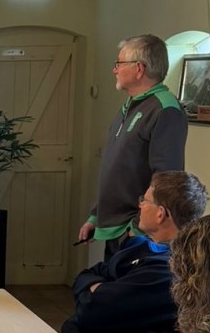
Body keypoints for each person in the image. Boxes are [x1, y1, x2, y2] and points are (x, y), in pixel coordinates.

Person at [63, 170, 209, 333]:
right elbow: (89, 274)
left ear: (160, 214)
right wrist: (98, 289)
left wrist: (100, 289)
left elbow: (92, 312)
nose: (139, 205)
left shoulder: (169, 268)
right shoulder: (140, 248)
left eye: (145, 200)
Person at [79, 35, 186, 258]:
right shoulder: (130, 105)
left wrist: (137, 228)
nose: (114, 70)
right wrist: (96, 217)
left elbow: (167, 177)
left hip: (136, 233)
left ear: (139, 68)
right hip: (116, 228)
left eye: (119, 63)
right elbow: (118, 170)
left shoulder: (165, 110)